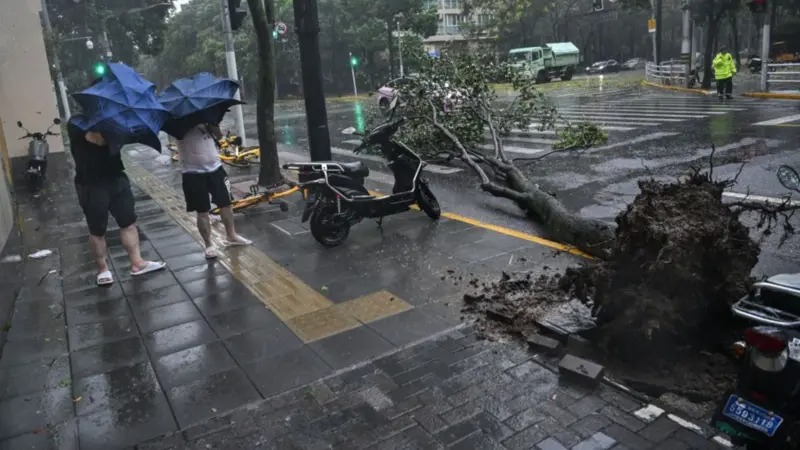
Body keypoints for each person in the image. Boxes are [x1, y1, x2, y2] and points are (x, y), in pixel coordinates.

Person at [67, 114, 166, 286]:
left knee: (128, 222)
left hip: (116, 179)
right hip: (91, 184)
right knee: (97, 230)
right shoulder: (77, 123)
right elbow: (95, 139)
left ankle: (137, 263)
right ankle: (103, 269)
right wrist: (112, 130)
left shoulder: (114, 122)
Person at [176, 123, 251, 259]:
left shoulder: (207, 117)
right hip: (192, 173)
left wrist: (211, 124)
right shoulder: (177, 123)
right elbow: (178, 134)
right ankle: (208, 244)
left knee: (226, 203)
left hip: (215, 169)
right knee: (202, 211)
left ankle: (231, 235)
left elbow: (219, 135)